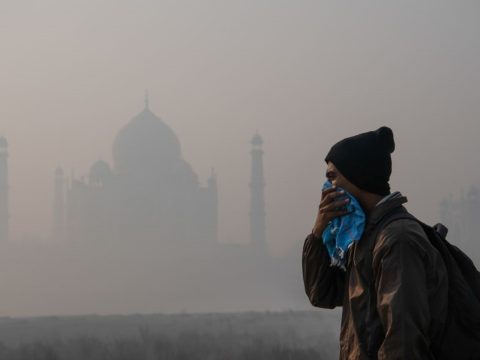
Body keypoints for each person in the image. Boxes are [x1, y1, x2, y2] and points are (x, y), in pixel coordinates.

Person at [302, 126, 448, 360]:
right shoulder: (365, 238)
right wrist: (318, 233)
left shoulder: (397, 239)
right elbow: (322, 294)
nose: (327, 188)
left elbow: (403, 342)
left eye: (332, 177)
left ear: (357, 177)